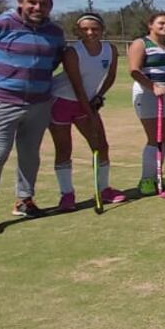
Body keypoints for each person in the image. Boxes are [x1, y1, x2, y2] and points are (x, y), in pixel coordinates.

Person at [0, 0, 65, 235]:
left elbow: (55, 60)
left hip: (39, 103)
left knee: (30, 154)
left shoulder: (55, 32)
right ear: (20, 2)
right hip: (1, 102)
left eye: (44, 4)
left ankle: (24, 200)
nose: (38, 7)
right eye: (32, 2)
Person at [48, 13, 125, 211]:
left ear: (102, 29)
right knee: (64, 149)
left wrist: (99, 96)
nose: (90, 32)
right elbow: (77, 84)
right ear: (78, 31)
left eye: (95, 28)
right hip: (61, 102)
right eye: (85, 29)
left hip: (87, 102)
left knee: (101, 145)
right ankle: (67, 195)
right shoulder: (72, 52)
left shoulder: (110, 49)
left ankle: (103, 189)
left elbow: (110, 77)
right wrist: (90, 111)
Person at [128, 11, 165, 196]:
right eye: (161, 23)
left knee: (162, 138)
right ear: (150, 25)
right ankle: (146, 179)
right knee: (153, 138)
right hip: (148, 94)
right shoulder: (140, 43)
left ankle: (157, 174)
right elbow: (134, 70)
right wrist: (152, 87)